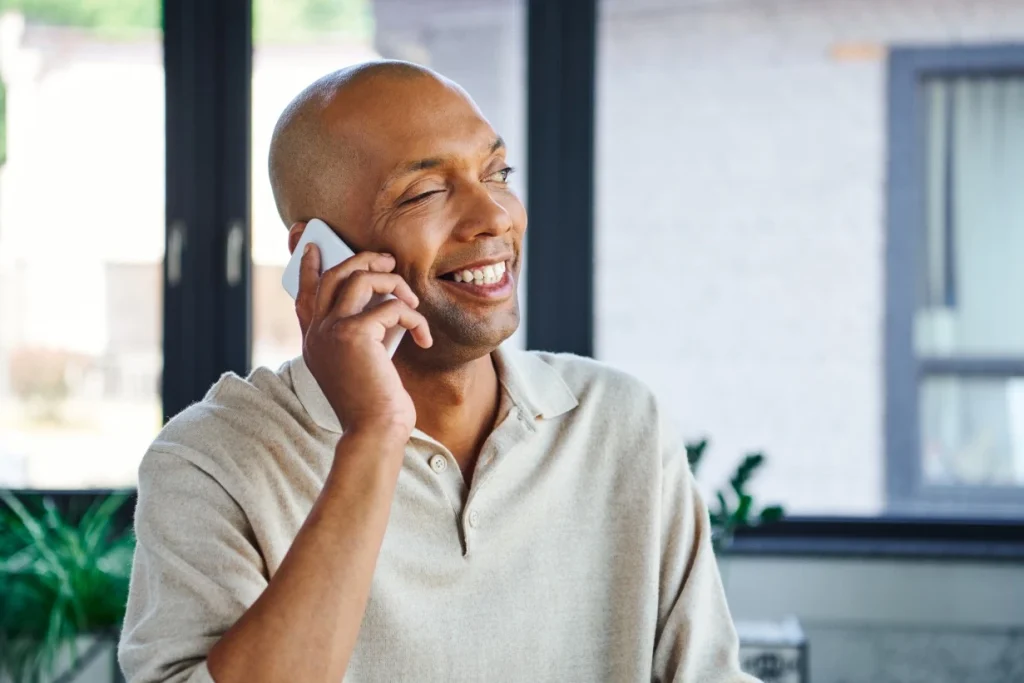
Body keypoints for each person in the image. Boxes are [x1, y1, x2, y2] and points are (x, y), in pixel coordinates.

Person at [118, 60, 758, 683]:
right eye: (425, 192)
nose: (495, 217)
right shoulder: (210, 460)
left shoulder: (620, 422)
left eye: (497, 172)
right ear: (318, 253)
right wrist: (373, 432)